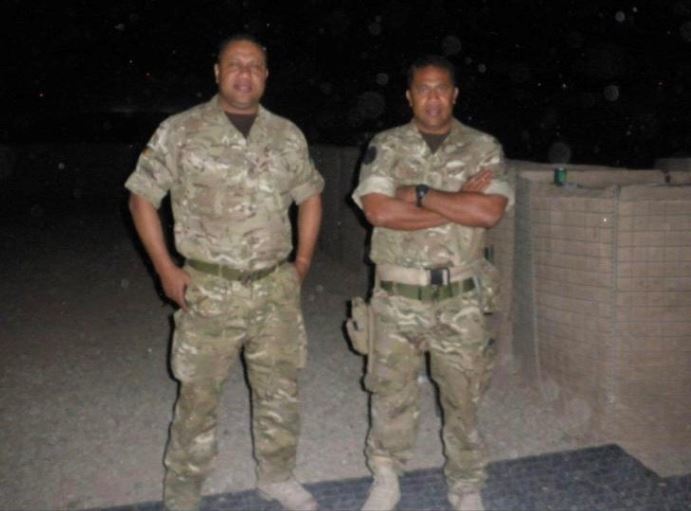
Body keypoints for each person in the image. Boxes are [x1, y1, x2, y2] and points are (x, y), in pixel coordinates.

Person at [125, 34, 323, 511]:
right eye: (235, 64)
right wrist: (165, 270)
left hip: (274, 288)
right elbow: (141, 198)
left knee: (280, 392)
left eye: (254, 65)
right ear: (217, 71)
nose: (244, 73)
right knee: (198, 398)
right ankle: (183, 492)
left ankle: (277, 477)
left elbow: (310, 195)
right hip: (208, 289)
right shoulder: (182, 129)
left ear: (266, 75)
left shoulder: (285, 134)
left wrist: (301, 264)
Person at [351, 55, 514, 511]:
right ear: (409, 96)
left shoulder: (483, 147)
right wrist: (458, 200)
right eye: (423, 88)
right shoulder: (387, 145)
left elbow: (489, 212)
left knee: (464, 399)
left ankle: (465, 483)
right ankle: (386, 476)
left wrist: (418, 194)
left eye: (442, 88)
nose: (433, 97)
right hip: (397, 295)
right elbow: (379, 212)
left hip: (461, 296)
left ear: (455, 94)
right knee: (391, 395)